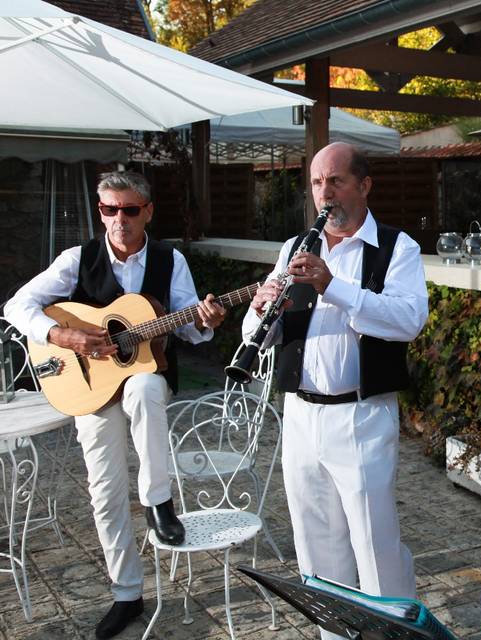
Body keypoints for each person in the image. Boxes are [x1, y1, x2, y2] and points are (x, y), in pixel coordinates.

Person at [3, 171, 225, 639]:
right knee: (103, 490)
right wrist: (60, 333)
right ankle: (127, 594)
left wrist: (205, 321)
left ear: (147, 210)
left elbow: (188, 326)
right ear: (100, 211)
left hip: (149, 378)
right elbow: (16, 305)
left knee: (144, 386)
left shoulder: (170, 259)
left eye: (128, 210)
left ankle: (158, 501)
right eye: (109, 210)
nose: (118, 220)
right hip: (90, 387)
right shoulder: (76, 259)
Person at [242, 142, 428, 639]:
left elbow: (408, 320)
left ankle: (396, 634)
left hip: (361, 417)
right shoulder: (294, 248)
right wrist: (261, 313)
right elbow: (257, 334)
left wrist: (333, 286)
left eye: (336, 181)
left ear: (364, 186)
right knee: (315, 542)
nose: (325, 192)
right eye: (318, 182)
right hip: (302, 416)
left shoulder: (396, 247)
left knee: (375, 543)